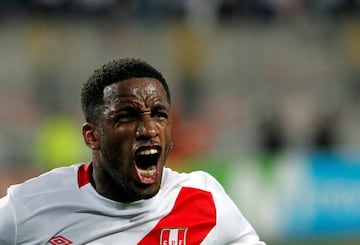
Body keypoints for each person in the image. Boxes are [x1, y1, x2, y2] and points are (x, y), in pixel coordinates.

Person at [0, 58, 266, 244]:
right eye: (127, 117)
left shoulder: (204, 199)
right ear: (92, 136)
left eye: (160, 114)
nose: (149, 129)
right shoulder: (31, 206)